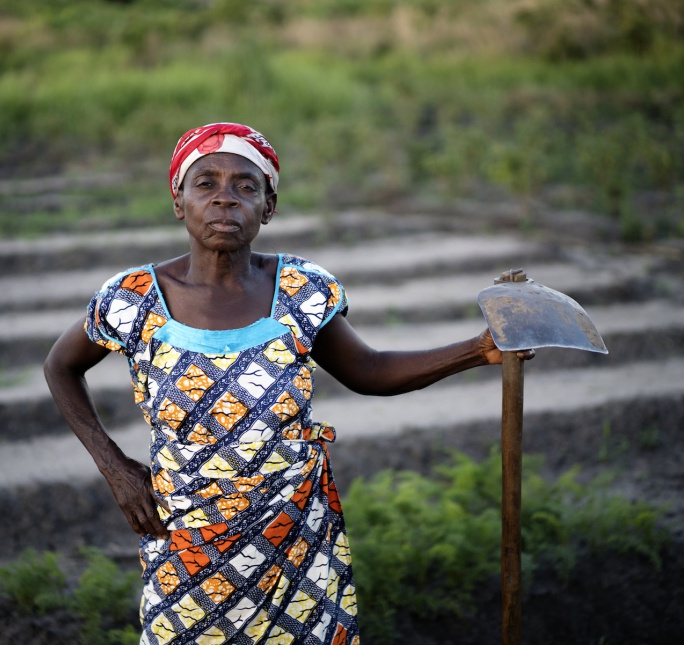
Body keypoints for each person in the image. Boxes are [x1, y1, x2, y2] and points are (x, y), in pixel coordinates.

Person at [44, 122, 534, 645]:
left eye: (245, 187)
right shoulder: (134, 298)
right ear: (178, 201)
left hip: (296, 534)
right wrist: (115, 468)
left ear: (269, 207)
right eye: (205, 184)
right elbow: (61, 367)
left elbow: (368, 371)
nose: (225, 200)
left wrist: (478, 350)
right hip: (186, 536)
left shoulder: (300, 290)